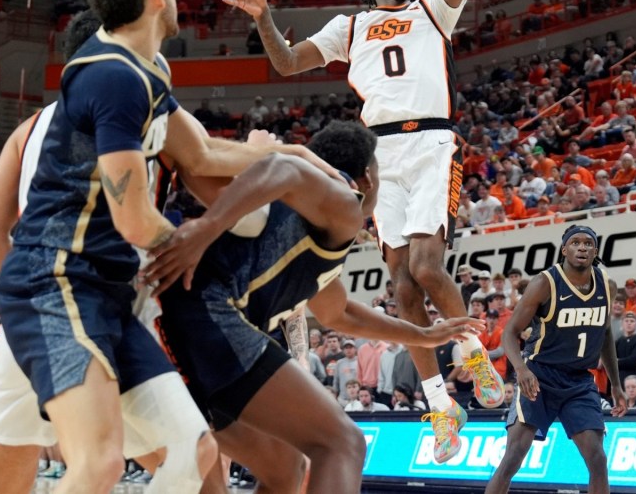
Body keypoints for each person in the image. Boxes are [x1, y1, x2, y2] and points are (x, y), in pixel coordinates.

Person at [222, 0, 503, 462]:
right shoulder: (348, 27)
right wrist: (263, 17)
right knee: (401, 284)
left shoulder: (432, 9)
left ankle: (473, 355)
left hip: (431, 144)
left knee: (426, 268)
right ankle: (442, 407)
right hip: (380, 157)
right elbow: (285, 63)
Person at [0, 0, 225, 494]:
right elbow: (198, 169)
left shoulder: (30, 129)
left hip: (67, 298)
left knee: (179, 453)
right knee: (112, 462)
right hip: (65, 293)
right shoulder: (125, 96)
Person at [143, 121, 482, 493]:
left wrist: (423, 334)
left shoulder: (310, 223)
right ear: (368, 177)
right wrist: (207, 227)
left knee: (286, 469)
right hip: (202, 315)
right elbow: (282, 167)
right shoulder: (344, 201)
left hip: (186, 326)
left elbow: (339, 312)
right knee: (342, 443)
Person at [485, 226, 627, 494]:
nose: (582, 247)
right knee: (513, 457)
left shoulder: (607, 284)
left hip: (579, 381)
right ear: (564, 249)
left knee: (598, 459)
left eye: (588, 243)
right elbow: (510, 333)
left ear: (595, 251)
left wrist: (616, 385)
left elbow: (605, 333)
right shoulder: (545, 283)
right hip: (539, 376)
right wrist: (521, 369)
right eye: (575, 242)